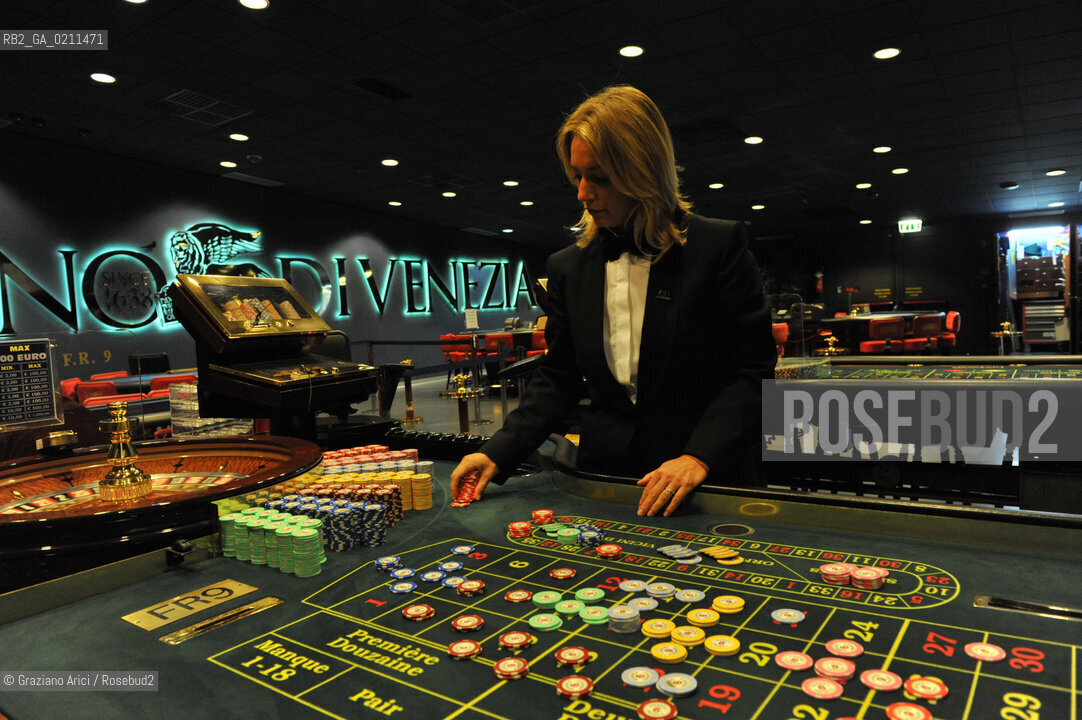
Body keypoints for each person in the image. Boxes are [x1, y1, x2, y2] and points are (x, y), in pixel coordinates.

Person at [451, 85, 776, 517]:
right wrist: (499, 451)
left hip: (705, 479)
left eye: (600, 177)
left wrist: (697, 457)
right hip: (608, 479)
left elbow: (752, 373)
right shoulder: (569, 266)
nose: (583, 193)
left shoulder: (717, 246)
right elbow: (560, 377)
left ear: (643, 171)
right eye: (577, 176)